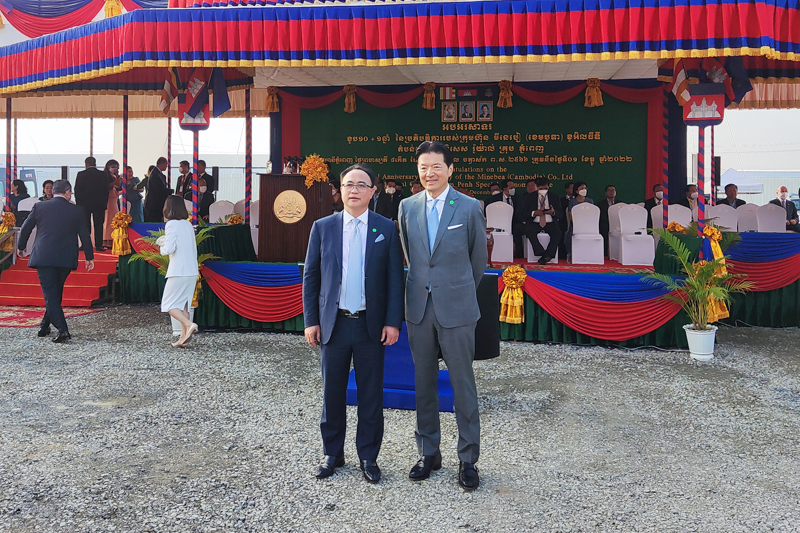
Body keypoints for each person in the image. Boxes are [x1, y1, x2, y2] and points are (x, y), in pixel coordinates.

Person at [302, 163, 404, 484]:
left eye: (362, 184)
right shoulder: (323, 227)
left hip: (369, 325)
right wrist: (311, 321)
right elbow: (311, 277)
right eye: (349, 184)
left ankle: (368, 456)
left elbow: (395, 279)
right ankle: (332, 453)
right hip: (333, 324)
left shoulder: (386, 229)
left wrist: (393, 322)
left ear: (373, 191)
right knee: (332, 392)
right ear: (340, 191)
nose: (355, 190)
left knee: (370, 395)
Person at [397, 141, 487, 491]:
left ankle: (468, 459)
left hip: (457, 307)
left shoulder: (468, 206)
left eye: (436, 166)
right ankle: (428, 452)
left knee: (462, 384)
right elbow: (411, 256)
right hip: (419, 308)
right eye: (423, 167)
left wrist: (456, 289)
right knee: (423, 383)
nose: (429, 173)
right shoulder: (407, 206)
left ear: (450, 169)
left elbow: (477, 260)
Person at [17, 180, 94, 343]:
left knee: (50, 293)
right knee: (55, 292)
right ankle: (45, 325)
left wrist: (21, 247)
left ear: (54, 191)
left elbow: (25, 228)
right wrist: (89, 256)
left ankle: (62, 329)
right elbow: (84, 234)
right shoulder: (77, 210)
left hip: (44, 256)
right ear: (67, 192)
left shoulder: (40, 207)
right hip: (66, 257)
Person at [157, 196, 199, 347]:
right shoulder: (187, 224)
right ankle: (183, 338)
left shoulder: (171, 224)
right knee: (184, 305)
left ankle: (189, 324)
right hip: (192, 270)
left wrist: (161, 245)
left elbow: (169, 249)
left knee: (168, 304)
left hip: (178, 270)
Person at [74, 156, 112, 251]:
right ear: (95, 164)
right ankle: (99, 245)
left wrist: (79, 204)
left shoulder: (81, 174)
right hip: (99, 204)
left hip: (84, 204)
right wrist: (104, 203)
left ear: (86, 164)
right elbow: (106, 190)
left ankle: (85, 245)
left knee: (85, 225)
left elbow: (77, 190)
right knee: (98, 225)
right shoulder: (103, 175)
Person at [523, 177, 562, 264]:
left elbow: (561, 214)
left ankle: (548, 255)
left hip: (549, 222)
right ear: (536, 187)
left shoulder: (554, 197)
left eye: (545, 188)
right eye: (541, 189)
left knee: (557, 233)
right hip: (535, 222)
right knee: (529, 231)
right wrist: (534, 213)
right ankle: (542, 253)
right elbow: (523, 213)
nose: (543, 191)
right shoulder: (529, 197)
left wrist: (553, 212)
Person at [566, 181, 593, 262]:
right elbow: (570, 214)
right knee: (569, 235)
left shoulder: (590, 201)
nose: (584, 190)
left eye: (585, 188)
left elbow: (592, 214)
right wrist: (577, 224)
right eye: (581, 188)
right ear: (576, 191)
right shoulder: (572, 201)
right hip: (575, 225)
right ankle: (569, 253)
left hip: (587, 225)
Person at [144, 157, 173, 222]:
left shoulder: (159, 174)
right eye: (166, 164)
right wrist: (169, 191)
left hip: (157, 204)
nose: (166, 166)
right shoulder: (155, 174)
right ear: (162, 163)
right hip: (154, 205)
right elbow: (158, 189)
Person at [102, 159, 122, 247]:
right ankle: (106, 239)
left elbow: (118, 186)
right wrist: (114, 182)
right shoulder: (105, 176)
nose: (115, 169)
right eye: (113, 167)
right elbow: (105, 186)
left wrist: (117, 178)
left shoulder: (114, 176)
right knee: (108, 219)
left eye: (116, 167)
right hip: (108, 199)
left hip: (114, 199)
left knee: (113, 219)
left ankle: (111, 238)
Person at [598, 185, 617, 256]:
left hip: (617, 224)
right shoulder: (600, 204)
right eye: (609, 190)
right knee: (603, 227)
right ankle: (604, 252)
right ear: (606, 193)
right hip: (605, 223)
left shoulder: (620, 204)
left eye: (613, 190)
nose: (612, 192)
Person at [558, 182, 574, 259]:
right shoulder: (560, 200)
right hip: (563, 221)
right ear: (566, 190)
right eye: (571, 188)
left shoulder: (578, 201)